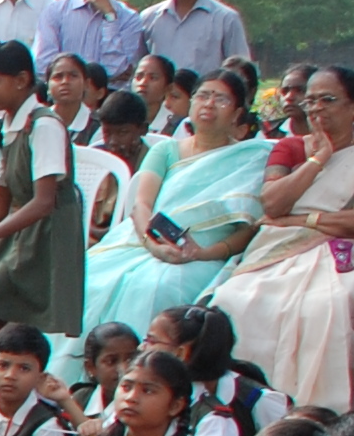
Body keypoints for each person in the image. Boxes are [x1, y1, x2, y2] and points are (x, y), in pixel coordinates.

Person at [210, 63, 354, 410]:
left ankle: (319, 410)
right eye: (310, 100)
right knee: (234, 298)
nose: (316, 108)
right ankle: (244, 406)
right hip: (277, 248)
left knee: (326, 306)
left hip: (342, 250)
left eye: (328, 99)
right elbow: (272, 203)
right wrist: (319, 158)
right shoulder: (290, 148)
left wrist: (302, 219)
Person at [83, 70, 270, 338]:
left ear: (238, 113)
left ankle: (150, 359)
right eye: (203, 95)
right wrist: (154, 247)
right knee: (90, 276)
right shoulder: (166, 151)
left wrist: (202, 253)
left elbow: (248, 229)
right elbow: (141, 205)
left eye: (221, 99)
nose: (209, 104)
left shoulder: (252, 158)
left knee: (157, 288)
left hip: (206, 255)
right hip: (143, 242)